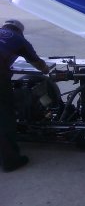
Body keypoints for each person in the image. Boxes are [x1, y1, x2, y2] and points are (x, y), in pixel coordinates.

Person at [0, 19, 49, 172]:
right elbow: (36, 62)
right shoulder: (19, 39)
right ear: (20, 30)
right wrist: (46, 70)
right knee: (4, 118)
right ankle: (10, 160)